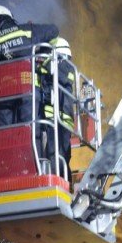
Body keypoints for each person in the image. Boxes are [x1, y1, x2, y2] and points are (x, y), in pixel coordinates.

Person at [0, 4, 59, 127]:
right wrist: (42, 52)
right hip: (27, 87)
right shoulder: (26, 30)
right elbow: (54, 31)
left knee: (5, 132)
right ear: (10, 18)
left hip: (2, 94)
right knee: (29, 129)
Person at [39, 36, 75, 173]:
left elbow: (49, 90)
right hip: (62, 118)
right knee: (63, 154)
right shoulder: (67, 67)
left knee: (55, 153)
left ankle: (59, 177)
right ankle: (65, 178)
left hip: (55, 118)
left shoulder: (58, 66)